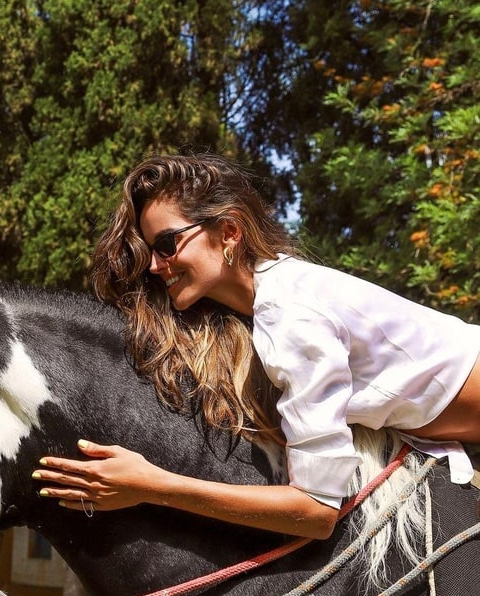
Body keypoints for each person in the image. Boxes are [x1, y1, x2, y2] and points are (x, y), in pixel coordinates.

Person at [32, 153, 480, 541]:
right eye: (151, 250)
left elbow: (317, 511)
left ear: (229, 232)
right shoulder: (278, 299)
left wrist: (152, 485)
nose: (154, 265)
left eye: (167, 244)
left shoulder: (289, 315)